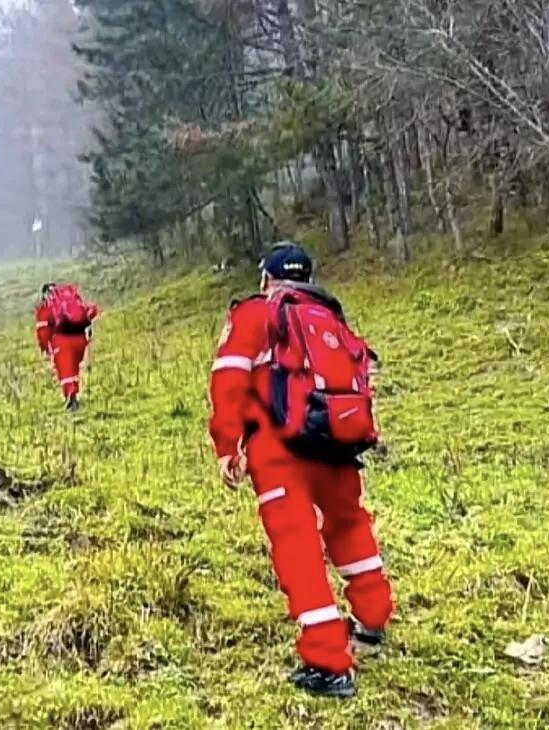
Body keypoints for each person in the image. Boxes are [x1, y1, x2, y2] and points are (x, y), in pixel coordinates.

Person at [208, 242, 394, 699]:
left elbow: (229, 378)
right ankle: (373, 617)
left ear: (267, 278)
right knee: (350, 525)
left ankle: (328, 662)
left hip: (278, 450)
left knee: (298, 548)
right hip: (336, 441)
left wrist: (226, 444)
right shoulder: (330, 315)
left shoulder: (255, 314)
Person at [36, 283, 98, 411]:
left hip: (62, 341)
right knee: (74, 369)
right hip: (80, 339)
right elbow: (90, 311)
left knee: (66, 370)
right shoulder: (70, 300)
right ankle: (74, 393)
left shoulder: (47, 307)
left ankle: (71, 397)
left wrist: (45, 348)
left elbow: (43, 330)